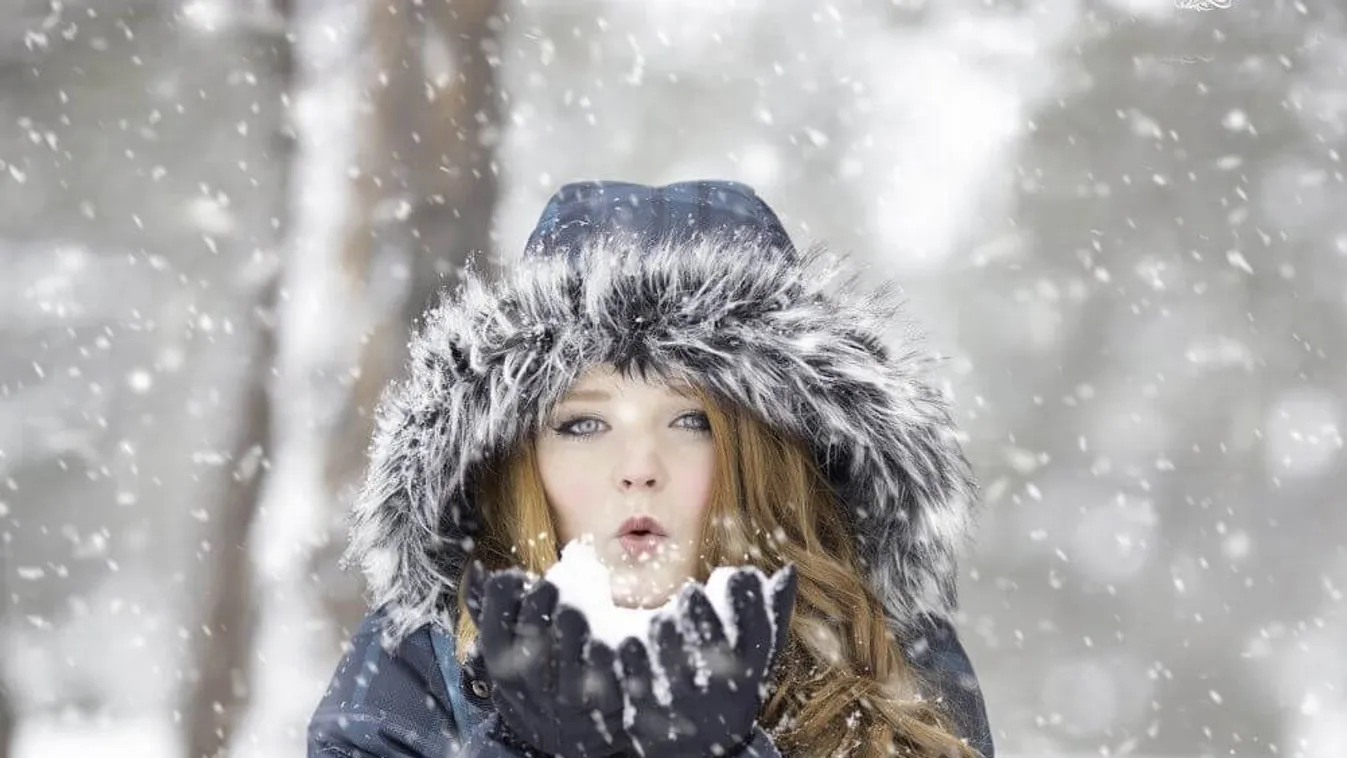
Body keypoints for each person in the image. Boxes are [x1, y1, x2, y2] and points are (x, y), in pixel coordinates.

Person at [307, 180, 995, 758]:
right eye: (584, 424)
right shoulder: (415, 670)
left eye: (692, 422)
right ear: (515, 460)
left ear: (770, 460)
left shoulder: (888, 663)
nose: (638, 468)